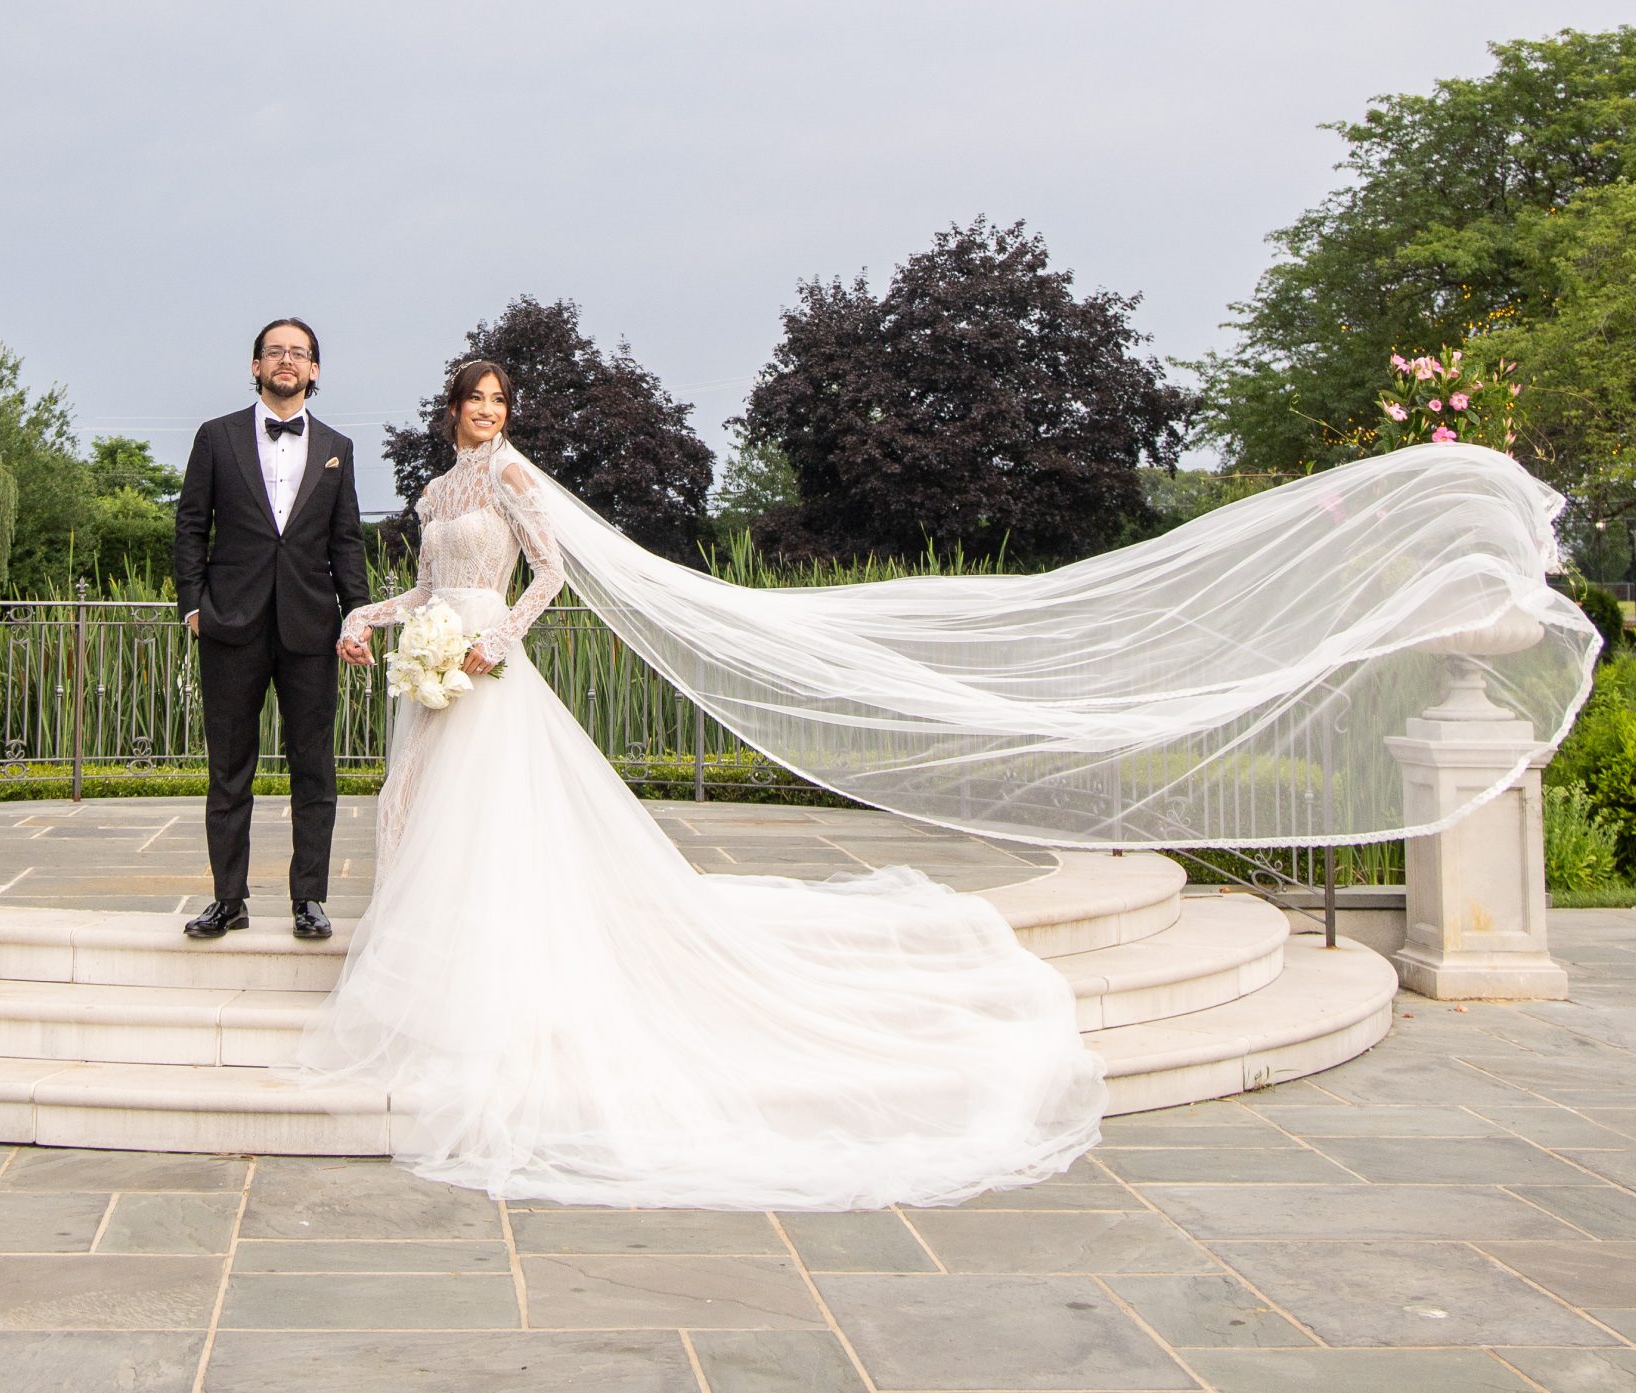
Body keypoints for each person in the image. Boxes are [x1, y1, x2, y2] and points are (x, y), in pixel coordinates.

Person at [306, 356, 1108, 1209]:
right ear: (453, 408)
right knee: (411, 809)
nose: (489, 412)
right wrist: (363, 615)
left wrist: (497, 637)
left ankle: (479, 977)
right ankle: (416, 968)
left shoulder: (510, 472)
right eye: (477, 400)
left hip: (485, 664)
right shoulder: (435, 493)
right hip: (434, 666)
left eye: (500, 400)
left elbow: (550, 573)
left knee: (479, 819)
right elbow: (428, 587)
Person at [172, 318, 369, 941]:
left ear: (315, 371)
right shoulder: (216, 436)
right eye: (275, 352)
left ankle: (309, 899)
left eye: (299, 353)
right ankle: (227, 899)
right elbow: (189, 527)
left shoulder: (339, 446)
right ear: (255, 366)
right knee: (229, 769)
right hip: (230, 623)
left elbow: (346, 541)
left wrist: (357, 615)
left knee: (315, 768)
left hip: (311, 627)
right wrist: (192, 604)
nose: (287, 361)